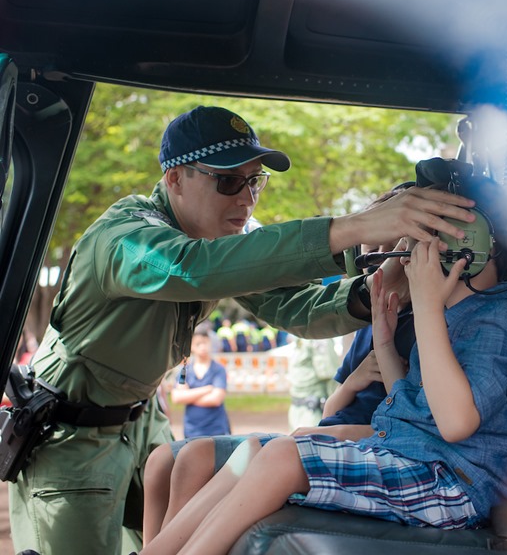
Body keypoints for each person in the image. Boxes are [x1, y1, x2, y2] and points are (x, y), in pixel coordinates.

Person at [8, 105, 476, 555]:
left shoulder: (225, 237)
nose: (247, 198)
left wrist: (379, 292)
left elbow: (300, 307)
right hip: (72, 435)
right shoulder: (126, 237)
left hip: (140, 424)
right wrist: (351, 228)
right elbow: (194, 269)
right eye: (228, 181)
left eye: (255, 182)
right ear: (174, 179)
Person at [141, 169, 507, 555]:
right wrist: (386, 342)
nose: (403, 262)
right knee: (252, 448)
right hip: (417, 457)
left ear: (470, 246)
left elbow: (455, 424)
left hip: (451, 484)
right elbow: (415, 406)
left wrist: (425, 308)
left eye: (415, 247)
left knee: (283, 457)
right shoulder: (453, 316)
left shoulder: (499, 322)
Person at [141, 187, 417, 545]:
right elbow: (333, 407)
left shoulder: (415, 328)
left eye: (390, 247)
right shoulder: (369, 326)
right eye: (371, 247)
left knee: (202, 458)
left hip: (346, 443)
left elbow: (411, 427)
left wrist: (320, 434)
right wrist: (353, 382)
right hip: (325, 431)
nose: (379, 259)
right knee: (166, 459)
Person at [170, 324, 231, 438]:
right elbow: (177, 398)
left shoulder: (218, 369)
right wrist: (207, 389)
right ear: (191, 346)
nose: (202, 347)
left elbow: (216, 399)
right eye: (198, 344)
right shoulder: (185, 371)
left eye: (205, 342)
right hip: (191, 431)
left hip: (216, 431)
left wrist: (189, 396)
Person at [287, 337, 342, 428]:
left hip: (301, 410)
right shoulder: (319, 337)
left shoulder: (301, 335)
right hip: (312, 413)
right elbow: (330, 375)